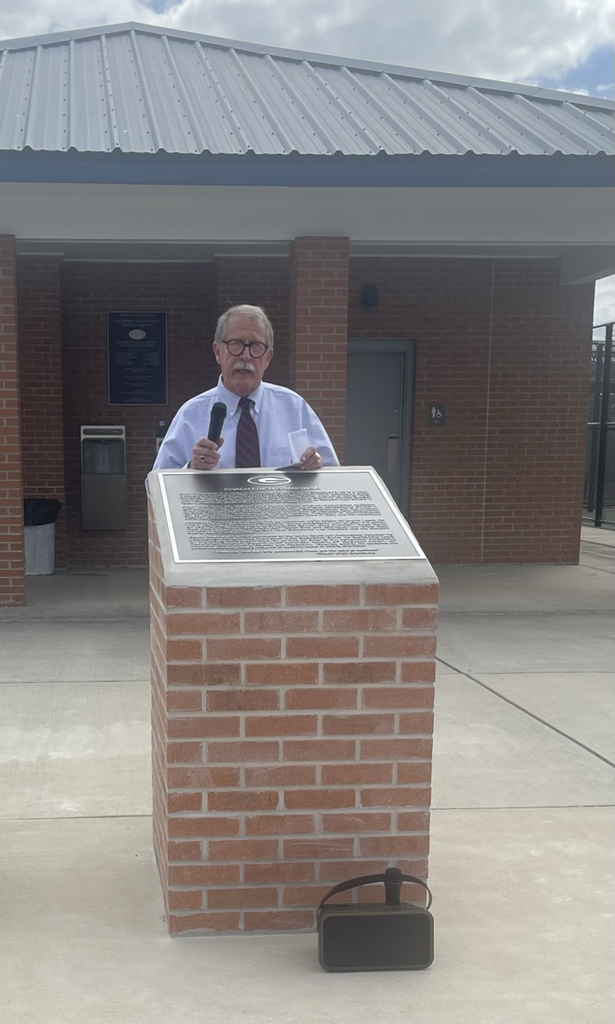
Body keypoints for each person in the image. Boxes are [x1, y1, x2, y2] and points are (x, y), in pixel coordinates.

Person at [153, 304, 339, 472]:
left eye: (256, 347)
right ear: (218, 352)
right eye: (236, 344)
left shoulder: (294, 408)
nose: (246, 356)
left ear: (268, 357)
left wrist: (316, 467)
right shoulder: (190, 415)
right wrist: (192, 468)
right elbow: (157, 489)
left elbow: (333, 476)